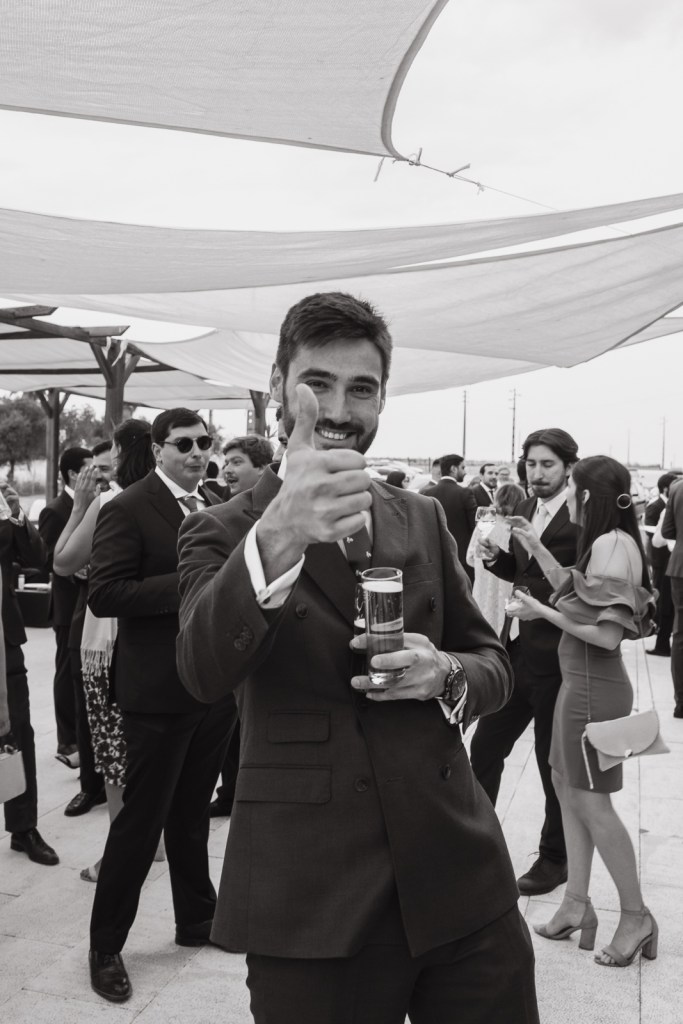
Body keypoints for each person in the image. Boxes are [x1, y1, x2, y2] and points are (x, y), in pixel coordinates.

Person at [176, 292, 538, 1024]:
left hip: (461, 877)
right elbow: (200, 670)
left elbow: (492, 662)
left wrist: (444, 673)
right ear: (279, 385)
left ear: (382, 398)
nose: (338, 409)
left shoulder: (420, 515)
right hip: (313, 894)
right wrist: (279, 535)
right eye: (317, 383)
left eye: (361, 388)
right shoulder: (222, 529)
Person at [86, 408, 237, 1004]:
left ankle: (197, 917)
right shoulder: (127, 507)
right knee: (140, 821)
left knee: (193, 811)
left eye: (204, 442)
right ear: (157, 450)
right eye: (184, 444)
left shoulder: (216, 499)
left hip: (212, 687)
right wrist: (193, 579)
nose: (198, 452)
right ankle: (105, 946)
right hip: (156, 690)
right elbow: (104, 592)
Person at [508, 455, 658, 968]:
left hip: (595, 689)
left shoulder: (613, 544)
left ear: (587, 495)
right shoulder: (605, 543)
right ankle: (575, 904)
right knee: (566, 790)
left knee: (593, 804)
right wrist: (534, 545)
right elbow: (578, 593)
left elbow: (605, 634)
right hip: (580, 686)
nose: (566, 495)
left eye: (571, 486)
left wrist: (539, 611)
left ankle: (636, 916)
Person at [471, 428, 579, 896]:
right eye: (531, 464)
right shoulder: (527, 508)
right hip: (516, 649)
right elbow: (521, 572)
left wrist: (534, 547)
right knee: (484, 749)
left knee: (550, 765)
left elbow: (577, 584)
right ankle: (473, 840)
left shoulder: (581, 515)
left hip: (559, 657)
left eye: (547, 464)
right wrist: (496, 558)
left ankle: (555, 858)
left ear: (569, 467)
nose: (537, 473)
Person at [53, 420, 157, 880]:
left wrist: (79, 506)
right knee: (155, 750)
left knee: (114, 752)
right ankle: (156, 843)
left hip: (108, 645)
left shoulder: (111, 502)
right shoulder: (173, 501)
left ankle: (120, 856)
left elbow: (62, 562)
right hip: (158, 641)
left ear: (120, 453)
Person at [2, 483, 57, 865]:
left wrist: (16, 515)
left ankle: (24, 828)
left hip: (3, 640)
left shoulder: (5, 513)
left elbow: (37, 558)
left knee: (18, 731)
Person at [38, 446, 93, 770]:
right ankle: (67, 739)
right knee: (65, 673)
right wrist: (75, 569)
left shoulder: (94, 503)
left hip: (90, 604)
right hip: (67, 603)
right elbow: (47, 558)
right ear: (73, 473)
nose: (97, 474)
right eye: (90, 468)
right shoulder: (56, 510)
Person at [466, 482, 525, 634]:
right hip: (508, 584)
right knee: (505, 629)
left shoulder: (487, 518)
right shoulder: (519, 525)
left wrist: (481, 566)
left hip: (484, 585)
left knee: (483, 626)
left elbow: (470, 556)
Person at [644, 473, 679, 658]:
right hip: (665, 562)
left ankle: (663, 644)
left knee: (667, 607)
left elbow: (658, 539)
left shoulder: (670, 506)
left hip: (673, 564)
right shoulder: (657, 505)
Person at [430, 453, 477, 583]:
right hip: (461, 559)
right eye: (463, 467)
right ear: (453, 469)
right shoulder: (465, 493)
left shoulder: (427, 493)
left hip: (436, 558)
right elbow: (475, 526)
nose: (465, 472)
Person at [662, 475, 683, 717]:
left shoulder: (677, 487)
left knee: (680, 634)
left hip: (679, 567)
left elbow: (667, 530)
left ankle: (681, 702)